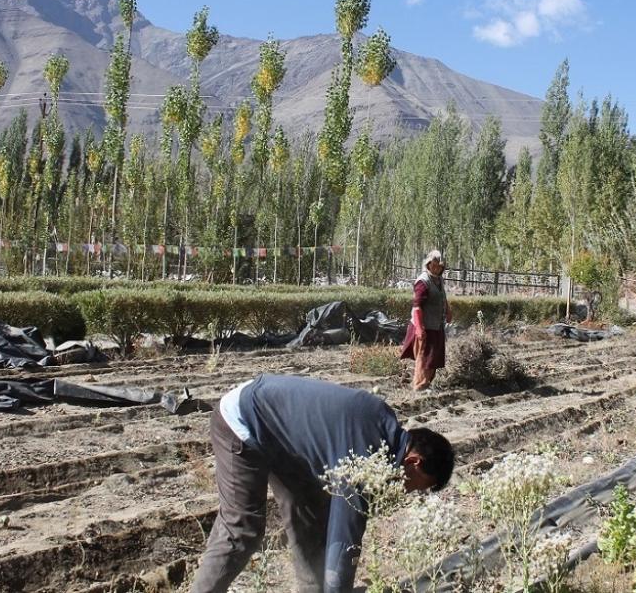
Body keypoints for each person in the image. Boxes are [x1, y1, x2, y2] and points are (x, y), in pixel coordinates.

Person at [191, 373, 455, 593]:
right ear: (414, 462)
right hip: (243, 418)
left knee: (309, 514)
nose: (406, 490)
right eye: (415, 485)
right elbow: (345, 533)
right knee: (242, 528)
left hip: (280, 434)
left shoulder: (382, 431)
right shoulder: (367, 454)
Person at [400, 250, 452, 391]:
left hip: (436, 325)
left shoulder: (439, 280)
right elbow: (417, 306)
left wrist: (448, 310)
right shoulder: (423, 281)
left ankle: (427, 384)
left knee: (433, 358)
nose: (436, 268)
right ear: (428, 265)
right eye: (434, 265)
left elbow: (443, 297)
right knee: (423, 358)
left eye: (439, 266)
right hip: (424, 326)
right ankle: (419, 387)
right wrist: (419, 328)